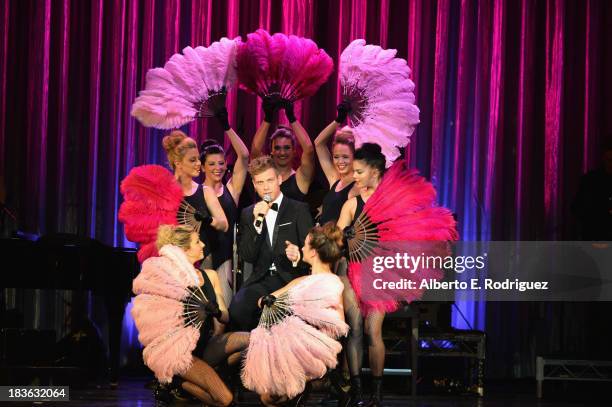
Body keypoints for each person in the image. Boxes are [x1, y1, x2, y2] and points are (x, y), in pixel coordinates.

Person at [133, 224, 248, 406]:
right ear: (184, 250)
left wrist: (217, 312)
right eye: (197, 242)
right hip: (182, 353)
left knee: (250, 340)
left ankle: (197, 381)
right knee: (225, 399)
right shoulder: (171, 281)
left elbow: (225, 317)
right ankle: (178, 383)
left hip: (206, 344)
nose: (203, 245)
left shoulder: (209, 275)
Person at [258, 222, 347, 407]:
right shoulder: (302, 281)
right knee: (267, 396)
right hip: (294, 346)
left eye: (305, 245)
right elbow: (265, 300)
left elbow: (339, 325)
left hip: (315, 350)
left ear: (313, 252)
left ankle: (319, 382)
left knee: (270, 396)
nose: (302, 248)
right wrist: (267, 300)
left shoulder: (331, 282)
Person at [229, 155, 313, 331]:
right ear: (254, 184)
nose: (266, 187)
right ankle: (249, 352)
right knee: (238, 308)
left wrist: (298, 254)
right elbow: (248, 255)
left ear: (279, 179)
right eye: (260, 182)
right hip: (261, 279)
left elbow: (314, 251)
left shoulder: (298, 209)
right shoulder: (248, 213)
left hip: (291, 278)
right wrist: (255, 224)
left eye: (270, 180)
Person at [337, 143, 388, 407]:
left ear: (374, 171)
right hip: (352, 272)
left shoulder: (391, 203)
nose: (354, 176)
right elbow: (335, 241)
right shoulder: (351, 204)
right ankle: (356, 390)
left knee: (372, 329)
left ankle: (377, 393)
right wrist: (343, 236)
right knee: (354, 327)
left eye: (359, 171)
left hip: (380, 274)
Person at [199, 107, 250, 306]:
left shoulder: (232, 189)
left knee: (224, 308)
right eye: (211, 164)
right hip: (202, 256)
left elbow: (244, 156)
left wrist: (227, 127)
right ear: (202, 167)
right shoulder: (197, 192)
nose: (218, 168)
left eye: (221, 163)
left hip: (227, 258)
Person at [162, 129, 228, 268]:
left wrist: (209, 219)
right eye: (193, 160)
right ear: (178, 163)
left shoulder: (205, 191)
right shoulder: (164, 192)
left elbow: (224, 224)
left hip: (202, 258)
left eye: (198, 158)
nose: (199, 163)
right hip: (172, 259)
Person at [251, 96, 315, 202]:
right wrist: (267, 118)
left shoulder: (300, 177)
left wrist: (292, 117)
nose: (282, 152)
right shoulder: (263, 173)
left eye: (287, 148)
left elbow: (309, 150)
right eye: (277, 148)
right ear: (271, 151)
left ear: (294, 151)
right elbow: (255, 151)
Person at [314, 101, 360, 224]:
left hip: (337, 241)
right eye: (336, 157)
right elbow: (318, 143)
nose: (340, 162)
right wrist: (338, 120)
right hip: (321, 240)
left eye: (345, 157)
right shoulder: (335, 178)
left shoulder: (358, 186)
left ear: (354, 157)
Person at [571, 142, 612, 241]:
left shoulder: (590, 179)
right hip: (595, 237)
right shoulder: (590, 180)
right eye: (609, 160)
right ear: (603, 158)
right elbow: (577, 208)